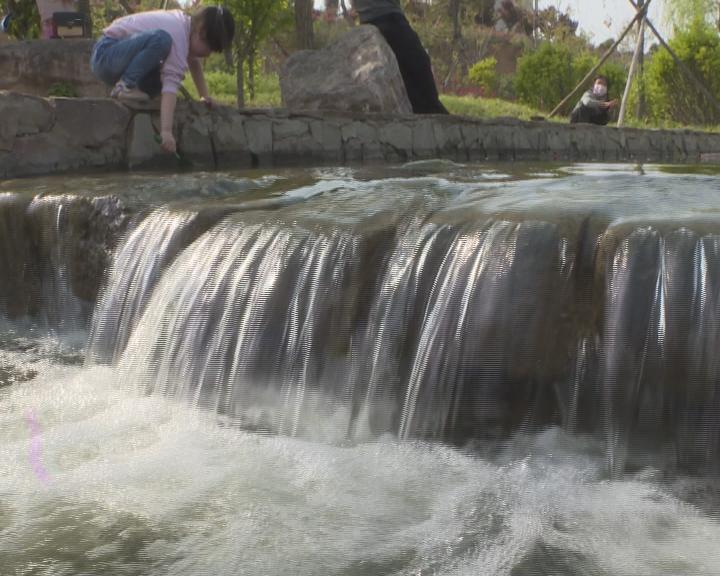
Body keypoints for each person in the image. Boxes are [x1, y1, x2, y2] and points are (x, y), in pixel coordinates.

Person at [90, 6, 235, 154]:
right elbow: (170, 86)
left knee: (165, 73)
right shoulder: (177, 33)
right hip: (106, 54)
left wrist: (204, 96)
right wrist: (166, 131)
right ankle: (125, 87)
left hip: (118, 60)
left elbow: (194, 63)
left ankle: (134, 89)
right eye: (209, 48)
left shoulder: (186, 31)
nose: (208, 55)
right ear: (201, 32)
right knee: (162, 40)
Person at [351, 0, 448, 114]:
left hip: (371, 19)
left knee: (404, 70)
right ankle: (432, 108)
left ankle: (423, 109)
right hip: (389, 16)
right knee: (419, 62)